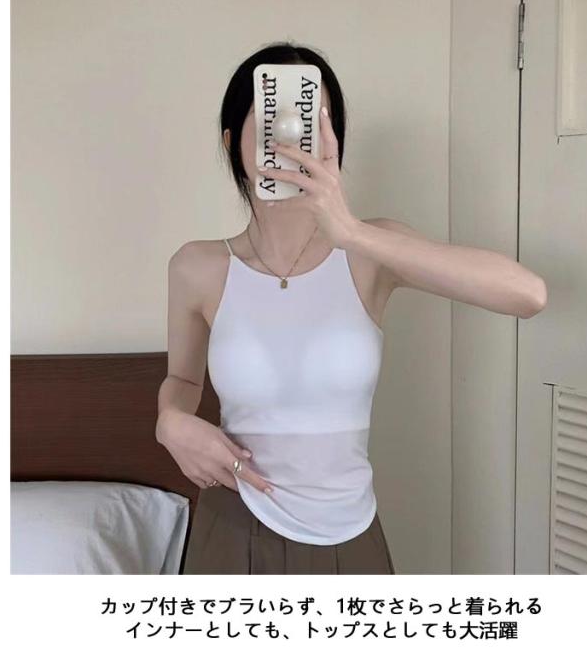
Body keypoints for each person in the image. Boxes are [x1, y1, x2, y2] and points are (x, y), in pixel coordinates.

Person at [156, 41, 548, 575]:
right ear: (231, 141)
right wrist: (169, 421)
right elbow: (182, 380)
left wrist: (352, 232)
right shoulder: (197, 267)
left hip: (350, 530)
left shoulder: (370, 252)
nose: (290, 135)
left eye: (309, 119)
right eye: (272, 117)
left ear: (334, 139)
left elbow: (527, 294)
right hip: (232, 522)